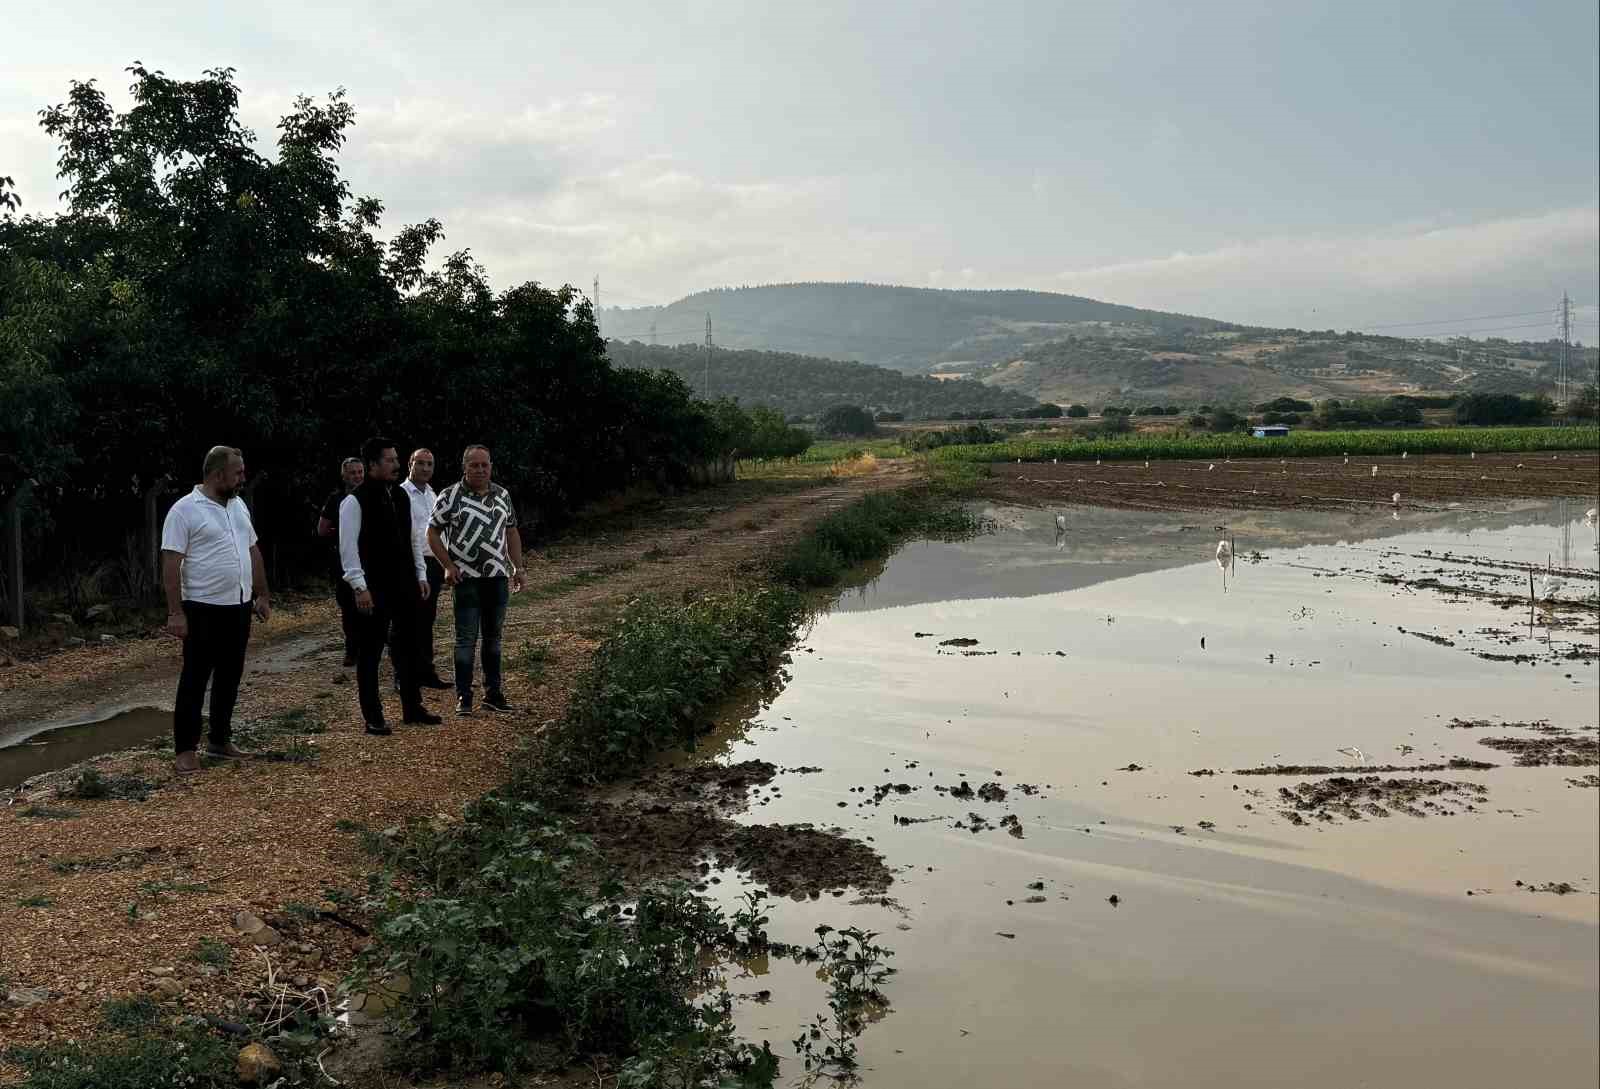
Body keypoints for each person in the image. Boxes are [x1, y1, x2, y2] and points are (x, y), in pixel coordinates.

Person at [160, 446, 271, 774]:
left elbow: (252, 550)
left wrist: (262, 594)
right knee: (195, 679)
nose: (243, 477)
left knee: (230, 676)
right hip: (202, 608)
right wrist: (175, 612)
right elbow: (170, 563)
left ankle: (220, 738)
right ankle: (185, 750)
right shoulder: (184, 511)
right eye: (237, 472)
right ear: (217, 474)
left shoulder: (238, 506)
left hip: (237, 606)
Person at [340, 437, 440, 734]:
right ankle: (373, 715)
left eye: (397, 460)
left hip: (405, 584)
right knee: (370, 652)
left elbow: (412, 539)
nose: (397, 465)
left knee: (409, 646)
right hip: (374, 588)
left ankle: (412, 706)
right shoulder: (353, 501)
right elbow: (348, 550)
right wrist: (360, 587)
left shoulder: (399, 495)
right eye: (390, 460)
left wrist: (420, 575)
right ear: (372, 464)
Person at [428, 444, 524, 715]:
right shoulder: (450, 496)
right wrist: (447, 566)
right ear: (464, 467)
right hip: (466, 579)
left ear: (491, 466)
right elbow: (432, 533)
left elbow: (512, 532)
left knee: (494, 638)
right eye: (474, 465)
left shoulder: (502, 495)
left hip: (497, 577)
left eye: (485, 464)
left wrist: (518, 567)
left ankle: (493, 693)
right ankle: (464, 697)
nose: (480, 470)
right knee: (466, 639)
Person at [399, 448, 450, 689]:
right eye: (420, 463)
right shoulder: (400, 493)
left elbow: (439, 531)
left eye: (429, 464)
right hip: (411, 564)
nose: (425, 468)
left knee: (427, 619)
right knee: (408, 619)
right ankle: (404, 676)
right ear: (410, 464)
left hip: (433, 563)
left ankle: (426, 671)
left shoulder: (432, 494)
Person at [316, 457, 364, 666]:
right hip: (344, 561)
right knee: (349, 607)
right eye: (353, 472)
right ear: (344, 475)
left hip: (370, 560)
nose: (357, 476)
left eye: (360, 472)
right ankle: (352, 650)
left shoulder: (374, 495)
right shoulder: (335, 499)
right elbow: (322, 529)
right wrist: (341, 533)